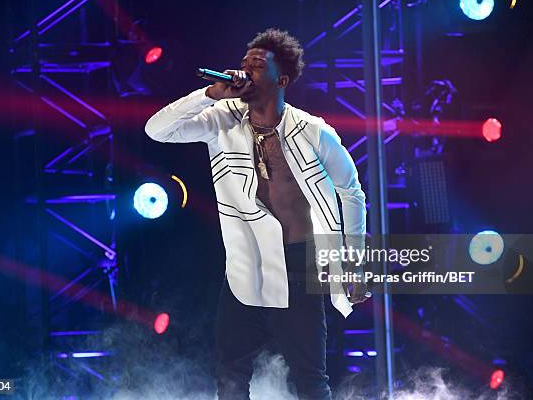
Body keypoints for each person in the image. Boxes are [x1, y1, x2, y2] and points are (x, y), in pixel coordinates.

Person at [145, 28, 368, 400]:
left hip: (301, 264)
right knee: (230, 376)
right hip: (246, 267)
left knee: (311, 381)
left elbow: (352, 192)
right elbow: (157, 130)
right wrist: (209, 95)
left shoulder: (313, 132)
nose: (244, 71)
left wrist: (354, 263)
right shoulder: (222, 120)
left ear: (281, 80)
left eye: (256, 66)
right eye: (243, 63)